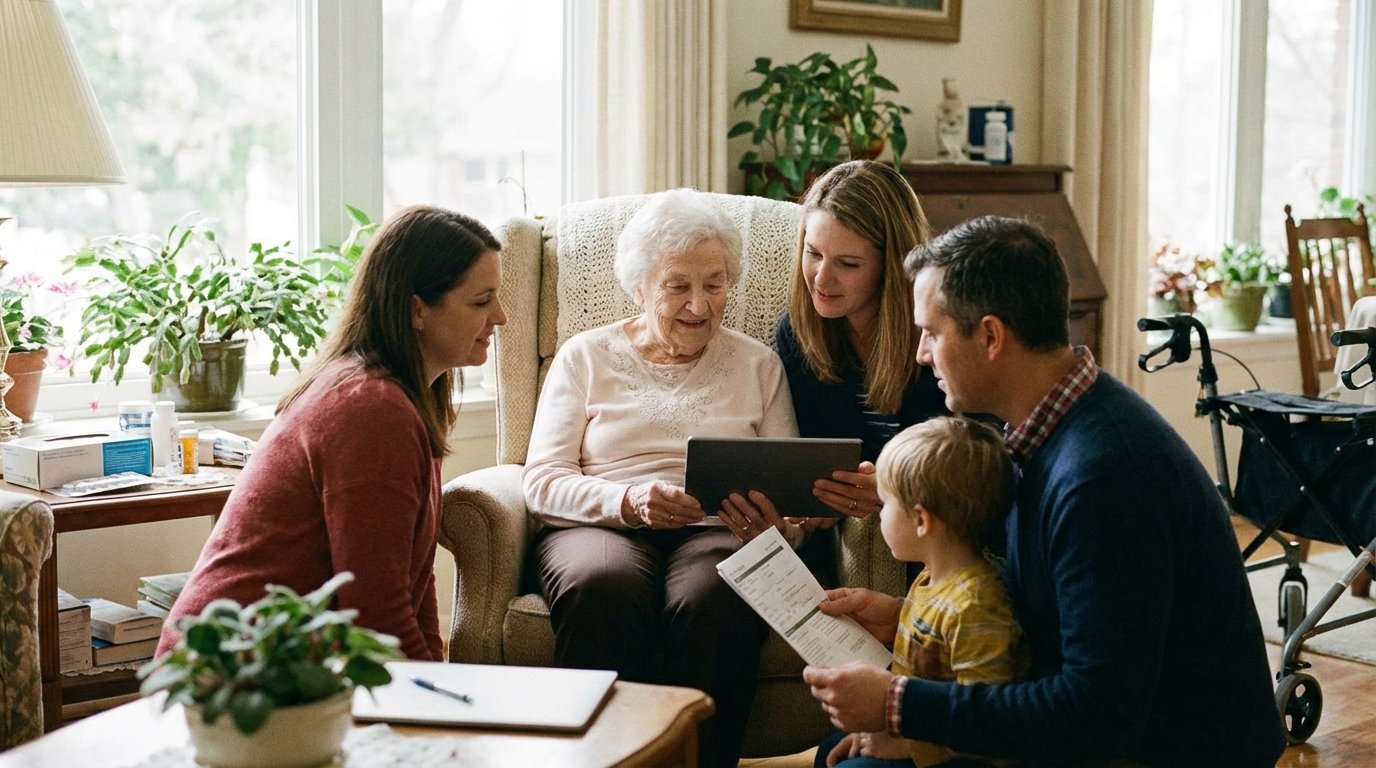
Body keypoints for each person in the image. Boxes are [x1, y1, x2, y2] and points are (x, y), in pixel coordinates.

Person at [804, 216, 1285, 766]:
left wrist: (900, 704)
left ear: (990, 336)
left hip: (1167, 750)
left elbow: (1096, 717)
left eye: (932, 333)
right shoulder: (1048, 428)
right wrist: (917, 618)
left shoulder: (1103, 478)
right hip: (1106, 727)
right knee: (838, 755)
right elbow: (1054, 607)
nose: (921, 353)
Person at [522, 188, 799, 768]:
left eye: (715, 283)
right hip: (600, 523)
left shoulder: (759, 364)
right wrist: (628, 501)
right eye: (678, 286)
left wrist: (784, 527)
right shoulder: (584, 356)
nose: (699, 304)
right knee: (603, 587)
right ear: (640, 285)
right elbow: (542, 480)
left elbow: (791, 489)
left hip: (717, 528)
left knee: (718, 593)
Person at [158, 205, 506, 662]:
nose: (500, 317)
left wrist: (440, 686)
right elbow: (376, 614)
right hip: (235, 672)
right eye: (481, 301)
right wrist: (435, 710)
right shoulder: (373, 411)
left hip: (297, 662)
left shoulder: (405, 396)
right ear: (417, 309)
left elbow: (411, 585)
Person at [771, 160, 948, 582]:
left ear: (892, 266)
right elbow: (814, 453)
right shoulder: (797, 332)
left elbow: (977, 457)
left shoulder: (938, 331)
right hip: (830, 541)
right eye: (813, 254)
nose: (821, 278)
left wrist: (892, 488)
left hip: (936, 527)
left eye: (848, 264)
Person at [817, 416, 1027, 768]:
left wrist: (906, 748)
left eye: (885, 504)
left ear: (921, 521)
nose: (879, 518)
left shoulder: (977, 608)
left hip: (951, 754)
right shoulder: (931, 579)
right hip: (918, 729)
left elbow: (987, 726)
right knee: (831, 749)